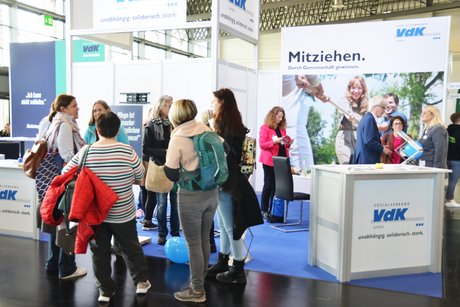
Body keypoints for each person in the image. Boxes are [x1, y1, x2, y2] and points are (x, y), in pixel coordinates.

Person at [63, 111, 150, 303]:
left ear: (97, 130)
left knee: (99, 251)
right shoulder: (127, 151)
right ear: (118, 129)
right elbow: (141, 176)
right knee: (130, 247)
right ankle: (141, 282)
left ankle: (104, 290)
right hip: (123, 212)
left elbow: (65, 171)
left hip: (95, 213)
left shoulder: (87, 151)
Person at [163, 99, 219, 303]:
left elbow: (170, 172)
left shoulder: (178, 137)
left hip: (190, 196)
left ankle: (197, 290)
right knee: (204, 239)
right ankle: (200, 279)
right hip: (212, 193)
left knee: (193, 243)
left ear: (175, 115)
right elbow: (227, 150)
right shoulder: (206, 129)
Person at [206, 88, 263, 284]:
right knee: (225, 225)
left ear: (222, 102)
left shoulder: (223, 127)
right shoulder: (234, 124)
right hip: (231, 181)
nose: (211, 104)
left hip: (227, 182)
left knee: (231, 227)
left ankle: (237, 267)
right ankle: (224, 260)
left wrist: (211, 130)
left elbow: (224, 155)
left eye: (214, 101)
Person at [38, 94, 87, 280]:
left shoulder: (53, 124)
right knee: (68, 225)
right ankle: (67, 268)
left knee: (57, 222)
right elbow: (68, 157)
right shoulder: (65, 126)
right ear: (63, 109)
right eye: (74, 105)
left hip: (55, 183)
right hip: (65, 183)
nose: (78, 108)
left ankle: (52, 263)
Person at [83, 100, 130, 256]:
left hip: (113, 179)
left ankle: (118, 247)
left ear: (107, 111)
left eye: (100, 110)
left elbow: (126, 148)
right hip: (94, 182)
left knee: (116, 215)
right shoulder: (89, 130)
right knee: (100, 220)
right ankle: (102, 247)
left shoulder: (119, 130)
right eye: (94, 110)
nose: (96, 113)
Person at [142, 95, 179, 245]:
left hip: (175, 167)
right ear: (160, 107)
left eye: (172, 106)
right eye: (168, 106)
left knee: (175, 203)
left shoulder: (175, 125)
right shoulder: (151, 125)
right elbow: (145, 149)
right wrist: (165, 152)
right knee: (162, 203)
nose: (170, 108)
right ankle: (162, 233)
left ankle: (175, 233)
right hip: (159, 167)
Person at [282, 75, 328, 168]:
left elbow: (304, 84)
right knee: (304, 168)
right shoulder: (292, 73)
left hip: (285, 125)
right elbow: (312, 77)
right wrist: (320, 89)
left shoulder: (290, 78)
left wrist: (316, 92)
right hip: (294, 126)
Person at [259, 106, 293, 220]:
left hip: (281, 161)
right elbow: (262, 144)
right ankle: (263, 210)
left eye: (282, 117)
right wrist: (275, 141)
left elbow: (284, 145)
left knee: (276, 187)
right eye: (278, 116)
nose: (280, 119)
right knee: (268, 185)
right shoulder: (265, 128)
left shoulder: (282, 129)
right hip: (269, 161)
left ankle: (272, 210)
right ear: (272, 116)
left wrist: (288, 143)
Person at [335, 76, 369, 164]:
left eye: (359, 88)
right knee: (347, 166)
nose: (356, 91)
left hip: (359, 140)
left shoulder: (365, 105)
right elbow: (346, 114)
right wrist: (348, 116)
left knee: (358, 169)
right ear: (349, 89)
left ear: (363, 90)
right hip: (345, 138)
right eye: (353, 88)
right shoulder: (344, 101)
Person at [353, 96, 392, 164]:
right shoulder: (370, 119)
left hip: (362, 159)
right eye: (383, 107)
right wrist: (383, 149)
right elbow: (369, 140)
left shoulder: (365, 118)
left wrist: (380, 146)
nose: (384, 111)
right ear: (375, 106)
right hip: (367, 161)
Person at [446, 112, 460, 208]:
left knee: (447, 180)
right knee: (453, 181)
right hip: (457, 160)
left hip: (446, 159)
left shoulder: (447, 130)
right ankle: (449, 199)